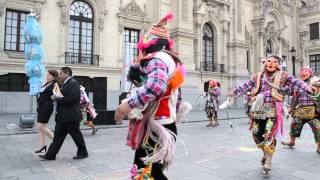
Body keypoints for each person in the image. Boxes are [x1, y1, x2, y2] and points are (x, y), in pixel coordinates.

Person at [115, 13, 185, 179]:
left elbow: (156, 85)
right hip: (164, 125)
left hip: (156, 127)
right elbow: (176, 96)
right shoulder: (172, 60)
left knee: (144, 173)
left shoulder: (157, 58)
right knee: (152, 172)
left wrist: (128, 104)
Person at [228, 55, 314, 175]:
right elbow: (247, 84)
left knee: (268, 135)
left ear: (278, 64)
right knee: (256, 136)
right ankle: (265, 153)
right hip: (258, 111)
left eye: (275, 62)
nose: (271, 64)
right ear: (265, 63)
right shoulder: (258, 75)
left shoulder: (284, 75)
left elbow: (297, 83)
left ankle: (268, 162)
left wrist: (308, 88)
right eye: (269, 61)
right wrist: (234, 92)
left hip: (273, 111)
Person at [39, 67, 88, 160]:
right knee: (57, 137)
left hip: (71, 116)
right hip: (63, 116)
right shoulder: (66, 83)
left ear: (67, 74)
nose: (59, 75)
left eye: (61, 73)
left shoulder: (73, 83)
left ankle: (83, 152)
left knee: (76, 136)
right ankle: (50, 155)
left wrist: (57, 99)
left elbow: (72, 99)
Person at [281, 67, 320, 153]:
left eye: (306, 71)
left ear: (310, 73)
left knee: (317, 128)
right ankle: (292, 142)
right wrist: (283, 87)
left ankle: (319, 146)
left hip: (313, 110)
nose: (304, 73)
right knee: (294, 125)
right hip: (300, 109)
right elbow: (290, 92)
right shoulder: (297, 84)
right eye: (302, 71)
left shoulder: (315, 82)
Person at [34, 70, 59, 153]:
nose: (47, 77)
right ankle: (42, 146)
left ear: (54, 77)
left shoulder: (55, 84)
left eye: (49, 75)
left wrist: (54, 97)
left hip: (47, 107)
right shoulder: (46, 83)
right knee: (41, 128)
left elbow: (58, 94)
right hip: (41, 106)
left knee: (40, 126)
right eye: (47, 75)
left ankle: (56, 142)